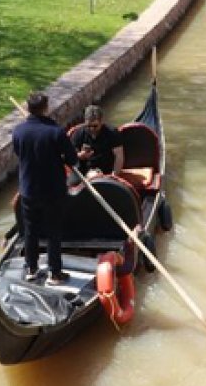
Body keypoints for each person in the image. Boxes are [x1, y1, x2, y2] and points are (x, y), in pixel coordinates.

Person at [12, 92, 78, 285]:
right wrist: (60, 158)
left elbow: (19, 152)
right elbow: (72, 159)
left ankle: (31, 268)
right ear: (45, 108)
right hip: (52, 191)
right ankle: (54, 274)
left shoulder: (18, 131)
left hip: (28, 190)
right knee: (53, 232)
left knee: (30, 231)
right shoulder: (56, 132)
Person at [70, 104, 123, 178]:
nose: (92, 129)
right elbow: (71, 155)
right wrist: (81, 155)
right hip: (84, 170)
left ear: (101, 121)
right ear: (85, 122)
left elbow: (119, 156)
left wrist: (114, 175)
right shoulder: (78, 133)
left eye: (95, 126)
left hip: (106, 170)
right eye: (88, 126)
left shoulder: (112, 132)